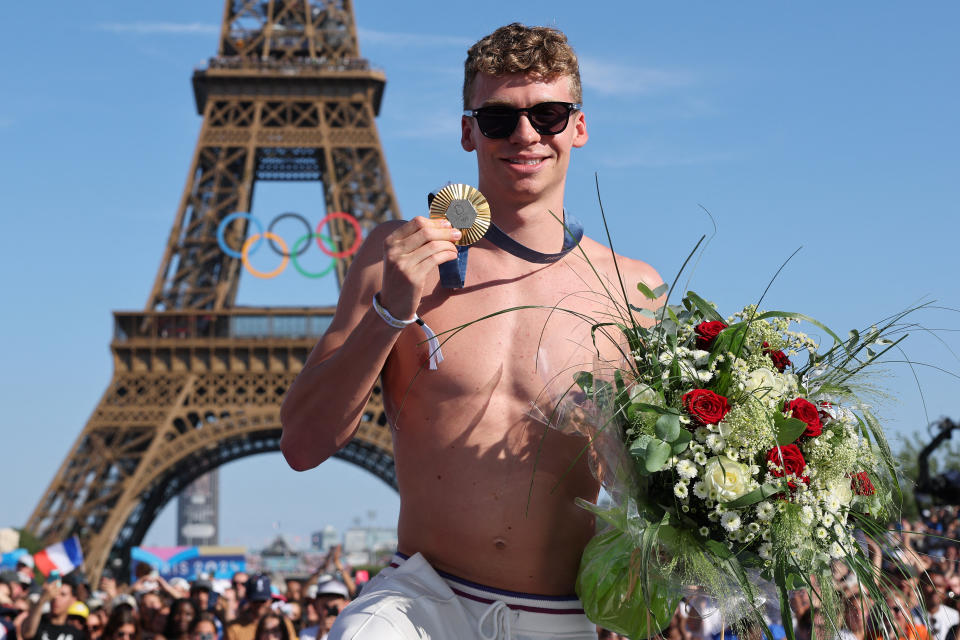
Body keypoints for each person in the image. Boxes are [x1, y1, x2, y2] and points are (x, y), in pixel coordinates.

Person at [281, 22, 662, 640]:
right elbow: (303, 445)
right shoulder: (395, 256)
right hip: (423, 600)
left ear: (580, 126)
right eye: (498, 119)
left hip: (564, 615)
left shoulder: (635, 290)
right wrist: (391, 312)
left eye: (549, 115)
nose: (526, 135)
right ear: (467, 131)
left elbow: (648, 485)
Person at [224, 576, 294, 640]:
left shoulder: (283, 624)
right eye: (255, 601)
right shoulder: (234, 627)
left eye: (262, 600)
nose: (259, 604)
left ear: (270, 600)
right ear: (248, 599)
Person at [21, 575, 84, 640]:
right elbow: (27, 634)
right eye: (55, 593)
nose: (56, 597)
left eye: (63, 594)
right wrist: (41, 600)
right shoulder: (37, 622)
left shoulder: (76, 634)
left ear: (73, 600)